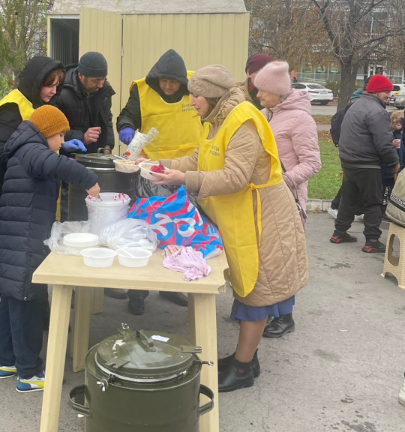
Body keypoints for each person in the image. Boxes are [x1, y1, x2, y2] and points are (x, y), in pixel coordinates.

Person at [145, 65, 307, 392]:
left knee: (256, 292)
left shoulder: (242, 121)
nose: (191, 101)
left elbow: (235, 177)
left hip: (263, 218)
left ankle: (243, 368)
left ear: (212, 95)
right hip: (242, 216)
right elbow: (198, 160)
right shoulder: (214, 119)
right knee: (248, 287)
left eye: (196, 95)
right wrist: (160, 166)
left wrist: (184, 179)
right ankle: (247, 358)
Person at [0, 105, 100, 392]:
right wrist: (90, 180)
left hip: (14, 239)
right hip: (25, 240)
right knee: (26, 303)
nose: (63, 141)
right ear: (46, 132)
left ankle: (6, 361)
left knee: (10, 300)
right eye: (60, 135)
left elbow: (52, 161)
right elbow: (56, 165)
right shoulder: (33, 151)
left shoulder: (24, 148)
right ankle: (29, 373)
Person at [114, 49, 202, 312]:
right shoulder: (142, 90)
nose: (167, 86)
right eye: (163, 81)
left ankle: (171, 285)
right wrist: (126, 128)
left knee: (180, 230)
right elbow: (126, 115)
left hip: (186, 171)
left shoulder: (196, 86)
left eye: (173, 82)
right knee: (146, 230)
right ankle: (137, 292)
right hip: (151, 172)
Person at [255, 61, 321, 338]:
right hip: (261, 197)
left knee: (283, 258)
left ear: (279, 92)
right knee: (265, 257)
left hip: (286, 198)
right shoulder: (263, 114)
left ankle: (285, 317)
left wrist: (282, 181)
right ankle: (260, 312)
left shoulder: (301, 119)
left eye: (263, 90)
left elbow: (313, 163)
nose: (258, 94)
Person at [0, 56, 65, 239]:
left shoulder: (39, 102)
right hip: (16, 194)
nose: (54, 91)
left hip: (38, 190)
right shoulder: (12, 107)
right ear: (36, 82)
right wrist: (41, 152)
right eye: (49, 86)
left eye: (57, 86)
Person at [330, 75, 399, 254]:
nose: (388, 95)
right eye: (385, 91)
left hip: (349, 161)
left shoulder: (356, 105)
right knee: (373, 202)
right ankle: (372, 241)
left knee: (348, 199)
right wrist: (394, 162)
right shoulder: (377, 112)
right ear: (376, 91)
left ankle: (339, 233)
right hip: (367, 163)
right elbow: (384, 143)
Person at [55, 51, 115, 154]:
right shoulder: (61, 92)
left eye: (103, 79)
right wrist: (82, 137)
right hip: (70, 156)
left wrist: (107, 145)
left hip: (96, 154)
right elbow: (54, 129)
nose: (100, 85)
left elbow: (107, 119)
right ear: (80, 76)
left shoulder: (104, 90)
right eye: (95, 81)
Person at [327, 89, 364, 221]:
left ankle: (356, 209)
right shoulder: (354, 112)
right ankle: (336, 206)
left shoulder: (347, 111)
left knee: (353, 181)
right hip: (354, 152)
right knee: (351, 182)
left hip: (348, 151)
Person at [381, 110, 404, 219]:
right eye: (396, 122)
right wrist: (391, 144)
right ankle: (383, 209)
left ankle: (393, 209)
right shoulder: (389, 135)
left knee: (395, 190)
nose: (399, 124)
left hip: (400, 167)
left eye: (401, 122)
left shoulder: (402, 135)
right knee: (385, 190)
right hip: (388, 168)